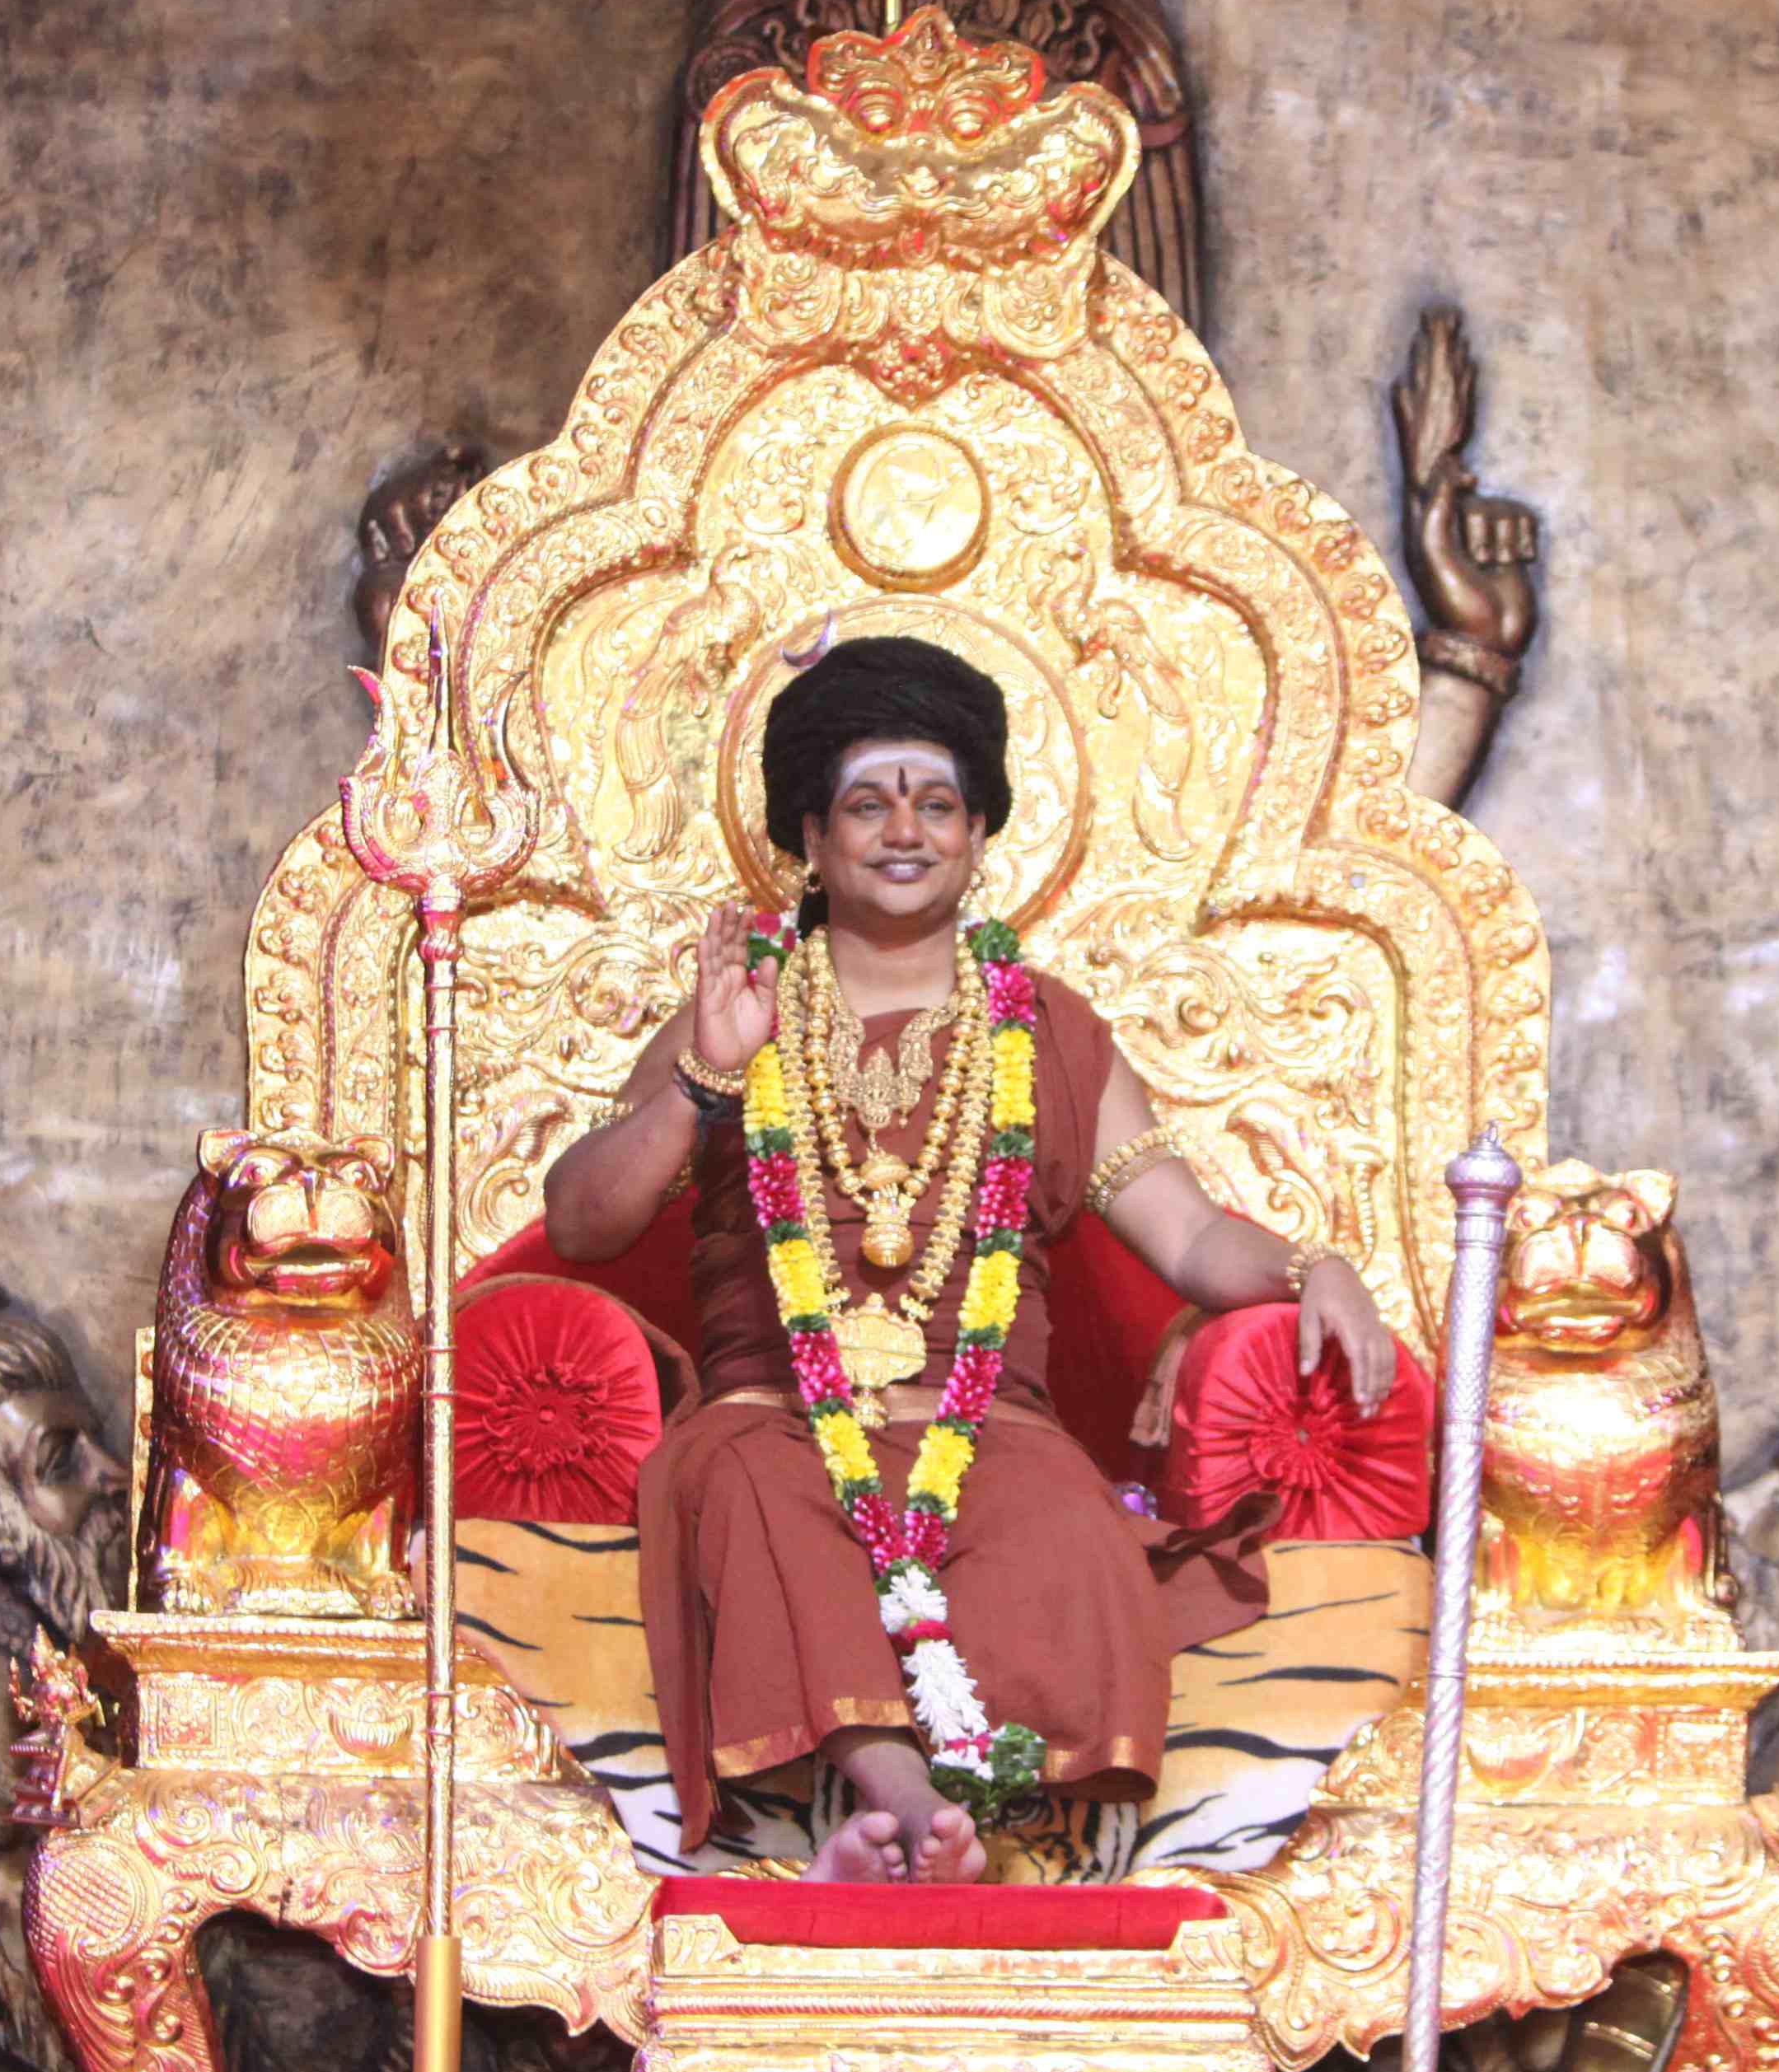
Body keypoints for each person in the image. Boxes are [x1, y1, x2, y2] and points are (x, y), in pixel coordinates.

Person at [541, 635, 1402, 1886]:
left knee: (1061, 1521)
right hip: (774, 1417)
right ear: (813, 837)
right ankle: (911, 1812)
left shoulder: (1047, 1029)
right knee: (758, 1492)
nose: (905, 831)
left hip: (987, 1425)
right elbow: (582, 1224)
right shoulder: (737, 1013)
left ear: (980, 831)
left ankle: (938, 1825)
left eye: (937, 804)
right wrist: (703, 1082)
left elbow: (1190, 1233)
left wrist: (1315, 1269)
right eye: (867, 804)